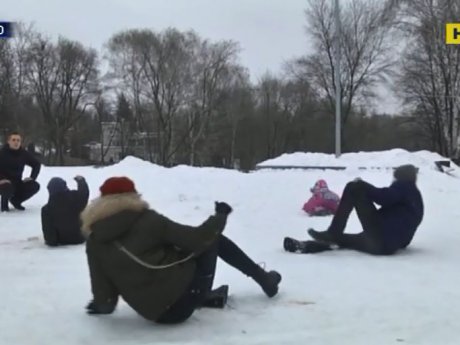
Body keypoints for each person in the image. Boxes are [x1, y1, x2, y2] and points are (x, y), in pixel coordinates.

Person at [82, 177, 282, 324]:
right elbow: (198, 239)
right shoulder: (148, 220)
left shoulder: (95, 239)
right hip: (181, 305)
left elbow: (105, 295)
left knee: (177, 252)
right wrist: (220, 217)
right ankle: (264, 279)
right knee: (214, 240)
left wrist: (101, 306)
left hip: (154, 314)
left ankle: (205, 296)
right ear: (133, 196)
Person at [285, 164, 424, 255]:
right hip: (382, 245)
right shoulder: (416, 201)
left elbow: (383, 197)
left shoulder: (404, 187)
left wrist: (363, 185)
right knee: (341, 241)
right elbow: (406, 240)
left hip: (379, 237)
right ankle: (306, 246)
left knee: (354, 187)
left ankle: (333, 231)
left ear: (400, 177)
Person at [41, 176, 90, 246]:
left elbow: (48, 228)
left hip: (61, 240)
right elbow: (84, 194)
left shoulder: (47, 209)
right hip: (79, 237)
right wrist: (81, 182)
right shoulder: (74, 197)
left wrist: (51, 242)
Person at [0, 132, 41, 212]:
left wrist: (32, 177)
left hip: (17, 182)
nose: (16, 142)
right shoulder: (2, 153)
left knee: (35, 186)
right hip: (3, 183)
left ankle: (16, 201)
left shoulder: (23, 153)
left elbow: (36, 164)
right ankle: (4, 205)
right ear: (8, 141)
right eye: (13, 140)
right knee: (7, 186)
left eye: (18, 140)